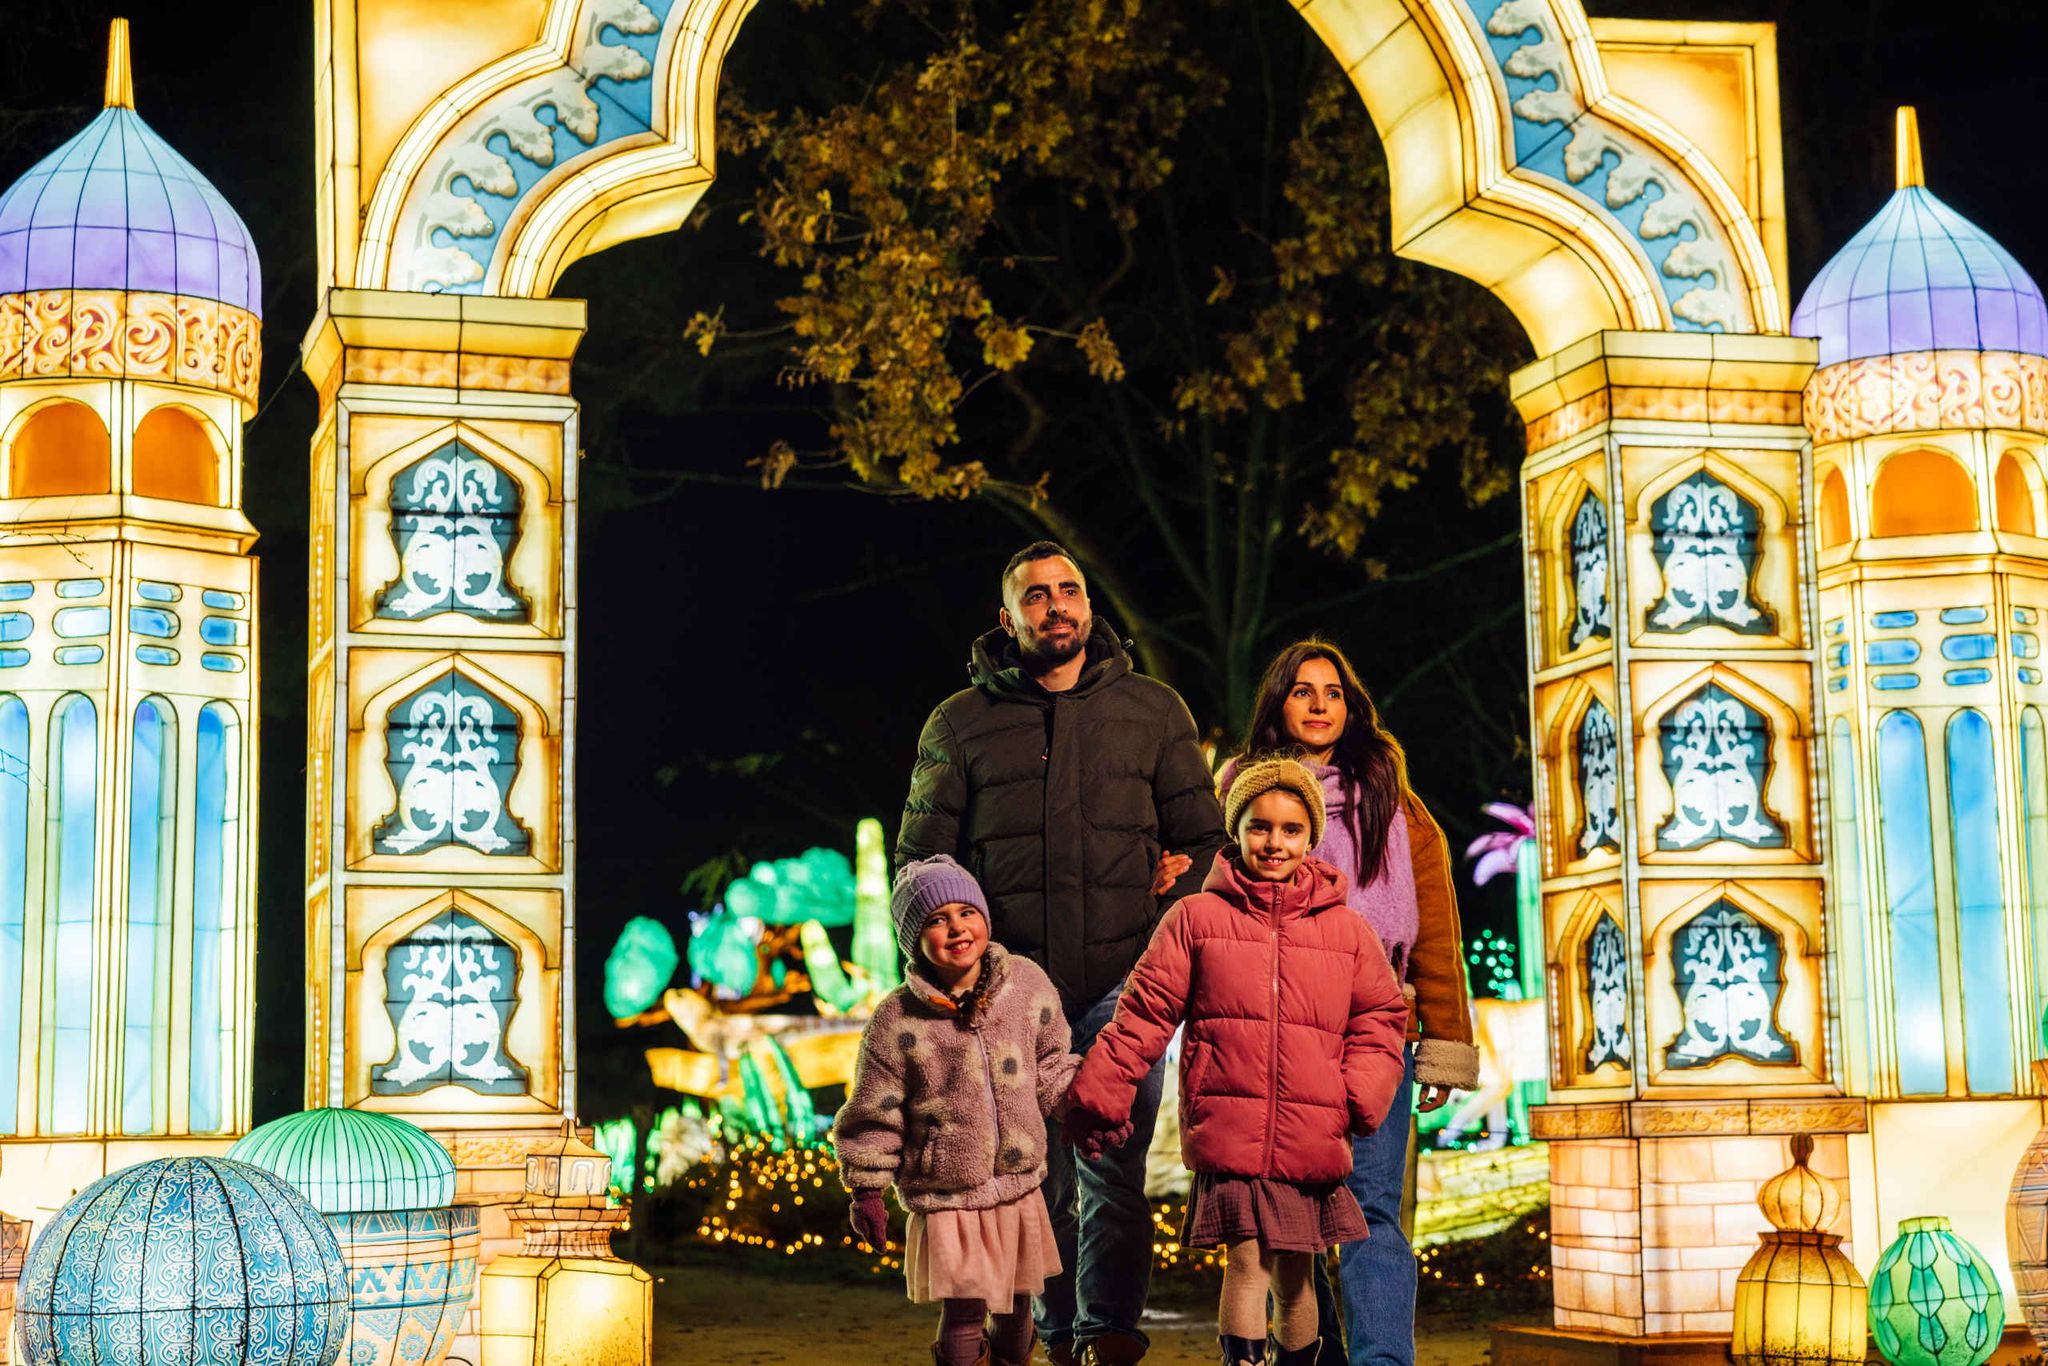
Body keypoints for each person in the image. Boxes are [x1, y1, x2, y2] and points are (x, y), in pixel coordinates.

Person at [899, 541, 1227, 1366]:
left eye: (1069, 589)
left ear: (1087, 604)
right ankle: (1046, 1332)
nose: (1057, 606)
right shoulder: (958, 724)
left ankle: (1108, 1337)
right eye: (1036, 596)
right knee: (1029, 1180)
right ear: (1008, 620)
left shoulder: (1154, 711)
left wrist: (1169, 911)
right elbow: (922, 863)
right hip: (1010, 996)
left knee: (1114, 1171)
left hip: (1127, 982)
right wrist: (951, 971)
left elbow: (1207, 841)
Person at [1060, 759, 1411, 1366]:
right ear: (1237, 829)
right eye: (1259, 826)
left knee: (1297, 1273)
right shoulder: (1196, 919)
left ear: (1310, 836)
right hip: (1231, 1131)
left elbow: (1381, 1019)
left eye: (1291, 829)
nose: (1274, 842)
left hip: (1311, 1134)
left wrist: (1357, 1095)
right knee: (1246, 1262)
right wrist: (1100, 1094)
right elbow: (1144, 1012)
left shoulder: (1348, 932)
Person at [1222, 640, 1479, 1366]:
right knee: (1290, 1212)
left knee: (1373, 1209)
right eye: (1302, 690)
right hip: (1280, 1031)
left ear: (1351, 705)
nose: (1318, 704)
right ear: (1278, 702)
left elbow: (1433, 921)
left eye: (1332, 692)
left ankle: (1382, 1359)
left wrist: (1445, 1039)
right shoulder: (1243, 795)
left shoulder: (1391, 798)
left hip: (1376, 1028)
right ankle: (1319, 1349)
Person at [833, 855, 1089, 1366]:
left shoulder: (1026, 986)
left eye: (965, 912)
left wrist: (1083, 1110)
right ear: (913, 938)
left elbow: (1052, 1063)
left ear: (984, 918)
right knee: (967, 1312)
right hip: (948, 1190)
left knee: (1018, 1312)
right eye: (935, 919)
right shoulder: (896, 1019)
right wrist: (867, 1189)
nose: (956, 928)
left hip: (1017, 1185)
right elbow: (875, 1108)